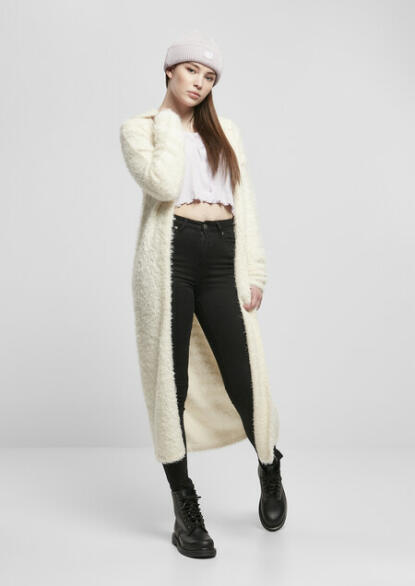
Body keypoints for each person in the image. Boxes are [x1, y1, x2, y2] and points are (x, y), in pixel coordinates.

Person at [119, 29, 287, 559]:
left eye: (209, 76)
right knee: (170, 384)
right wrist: (170, 124)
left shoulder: (226, 132)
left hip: (221, 255)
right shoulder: (141, 129)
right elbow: (164, 185)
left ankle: (269, 463)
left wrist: (253, 271)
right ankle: (184, 506)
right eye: (191, 70)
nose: (199, 82)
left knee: (243, 374)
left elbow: (245, 202)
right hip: (169, 257)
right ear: (169, 70)